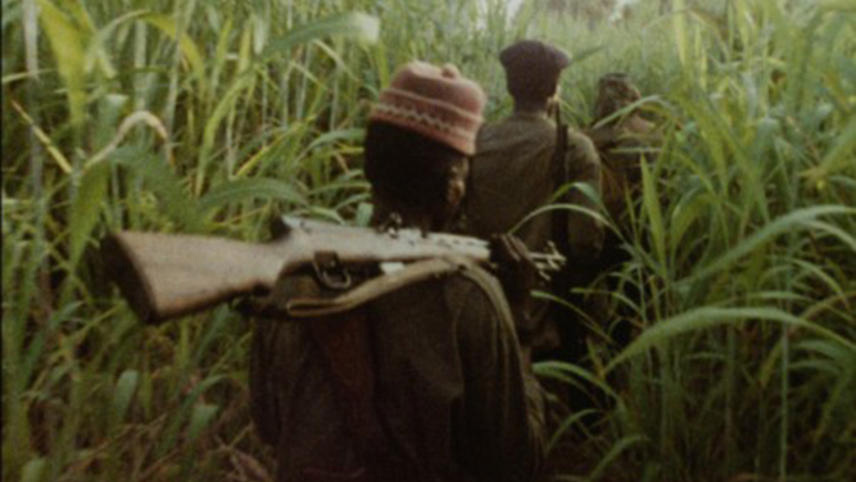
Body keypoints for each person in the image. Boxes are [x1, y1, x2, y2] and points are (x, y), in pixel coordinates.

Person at [249, 61, 548, 482]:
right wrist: (519, 326)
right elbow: (518, 466)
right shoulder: (470, 298)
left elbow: (268, 423)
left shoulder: (292, 277)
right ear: (453, 188)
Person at [461, 40, 604, 362]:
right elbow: (586, 240)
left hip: (478, 305)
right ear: (554, 88)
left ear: (510, 87)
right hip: (544, 319)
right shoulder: (574, 147)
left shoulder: (476, 139)